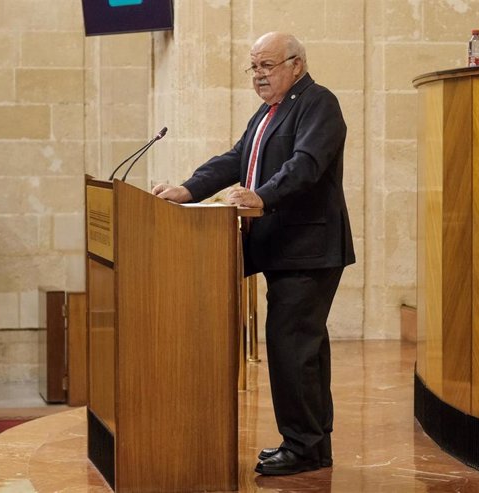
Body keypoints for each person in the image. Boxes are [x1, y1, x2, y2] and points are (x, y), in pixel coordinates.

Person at [153, 32, 355, 476]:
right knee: (303, 347)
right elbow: (235, 158)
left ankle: (302, 447)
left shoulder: (319, 103)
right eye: (254, 67)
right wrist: (188, 189)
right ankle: (312, 444)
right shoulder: (268, 113)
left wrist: (261, 197)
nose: (259, 75)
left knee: (292, 346)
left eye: (267, 65)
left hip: (309, 248)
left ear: (296, 65)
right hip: (284, 248)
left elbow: (306, 165)